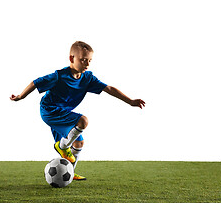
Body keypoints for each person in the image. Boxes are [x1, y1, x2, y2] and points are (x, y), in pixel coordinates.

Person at [10, 41, 145, 181]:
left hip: (64, 113)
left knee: (79, 143)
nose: (86, 64)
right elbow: (35, 83)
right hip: (49, 111)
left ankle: (69, 173)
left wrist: (130, 101)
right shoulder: (59, 76)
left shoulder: (87, 78)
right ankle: (62, 146)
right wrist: (20, 96)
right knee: (83, 121)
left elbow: (109, 89)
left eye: (89, 61)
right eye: (83, 60)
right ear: (71, 58)